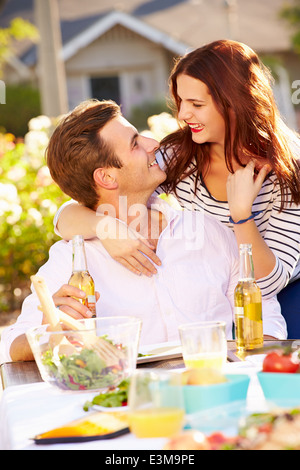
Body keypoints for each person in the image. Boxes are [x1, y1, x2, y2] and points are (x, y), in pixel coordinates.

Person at [0, 99, 286, 363]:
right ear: (107, 177)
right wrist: (52, 331)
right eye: (135, 143)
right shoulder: (73, 260)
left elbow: (266, 310)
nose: (153, 144)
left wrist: (257, 359)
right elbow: (13, 342)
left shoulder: (208, 231)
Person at [54, 40, 300, 335]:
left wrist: (241, 215)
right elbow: (70, 215)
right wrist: (107, 227)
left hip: (286, 293)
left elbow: (265, 284)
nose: (182, 114)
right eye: (180, 101)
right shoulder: (180, 158)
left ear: (235, 104)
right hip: (225, 287)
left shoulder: (288, 173)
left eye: (196, 104)